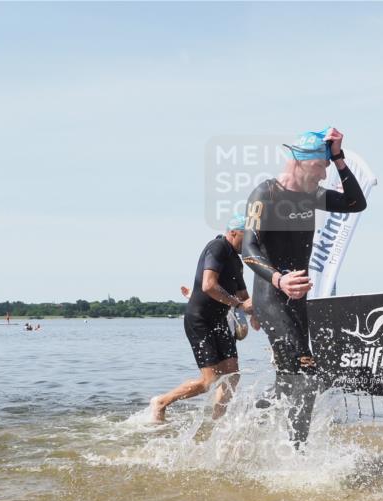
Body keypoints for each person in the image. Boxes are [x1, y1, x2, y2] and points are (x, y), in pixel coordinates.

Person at [241, 127, 368, 446]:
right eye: (322, 164)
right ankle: (297, 452)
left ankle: (248, 421)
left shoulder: (312, 197)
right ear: (302, 161)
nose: (326, 172)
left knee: (289, 381)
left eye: (328, 165)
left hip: (297, 301)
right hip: (272, 297)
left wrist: (338, 157)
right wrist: (279, 279)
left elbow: (356, 202)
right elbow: (248, 249)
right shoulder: (266, 193)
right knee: (308, 373)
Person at [150, 215, 255, 422]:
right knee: (210, 380)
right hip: (200, 321)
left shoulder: (236, 259)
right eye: (248, 235)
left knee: (232, 375)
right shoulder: (217, 247)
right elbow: (208, 285)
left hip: (219, 321)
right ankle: (161, 402)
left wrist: (257, 313)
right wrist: (238, 305)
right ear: (234, 232)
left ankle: (217, 423)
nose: (251, 241)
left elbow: (243, 295)